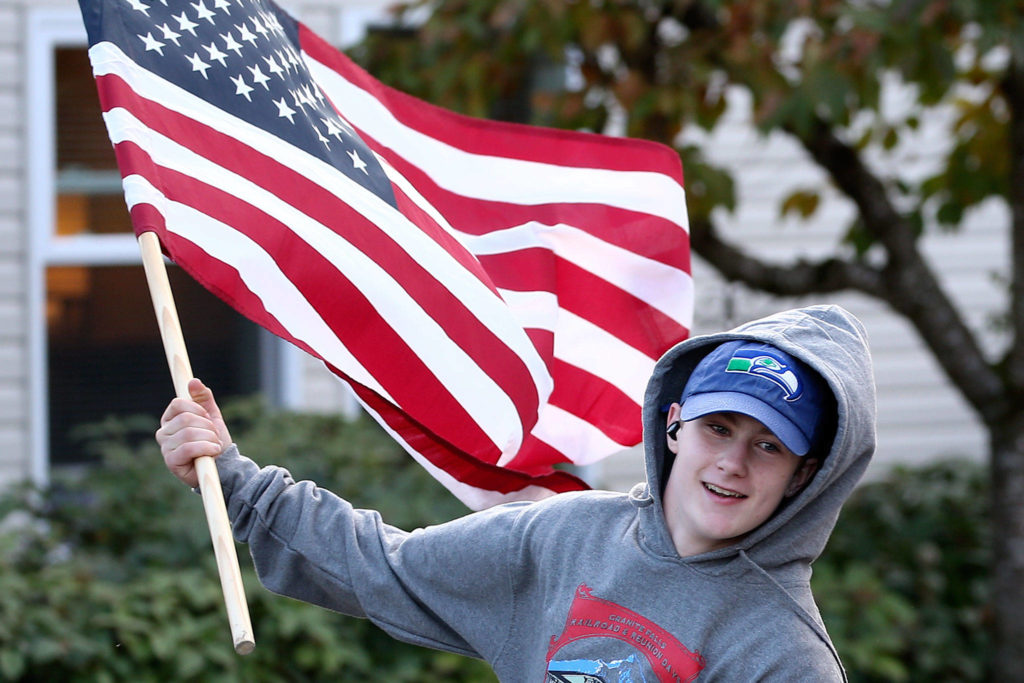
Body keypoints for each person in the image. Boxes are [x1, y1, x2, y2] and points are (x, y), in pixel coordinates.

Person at [157, 304, 875, 681]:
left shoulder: (782, 654)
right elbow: (385, 565)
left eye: (769, 444)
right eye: (720, 427)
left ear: (804, 474)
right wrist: (235, 478)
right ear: (675, 424)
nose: (733, 463)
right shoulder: (562, 537)